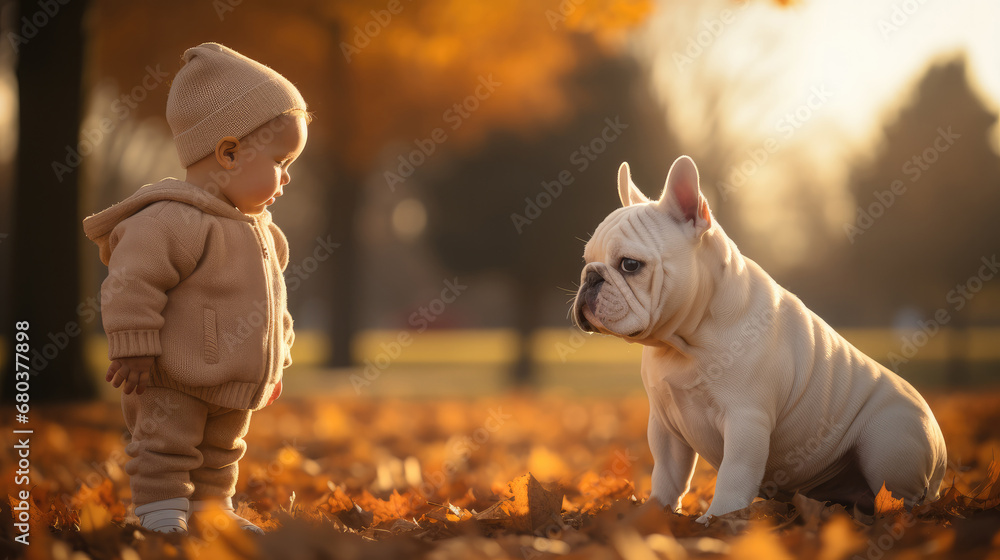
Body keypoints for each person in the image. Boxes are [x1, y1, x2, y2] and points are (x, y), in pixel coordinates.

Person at [82, 42, 310, 535]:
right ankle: (158, 511)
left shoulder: (265, 233)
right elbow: (130, 283)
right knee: (166, 443)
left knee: (222, 450)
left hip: (234, 382)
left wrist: (276, 358)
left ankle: (210, 510)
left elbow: (275, 304)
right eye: (281, 159)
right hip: (175, 375)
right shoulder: (172, 220)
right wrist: (133, 345)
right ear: (229, 152)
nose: (287, 176)